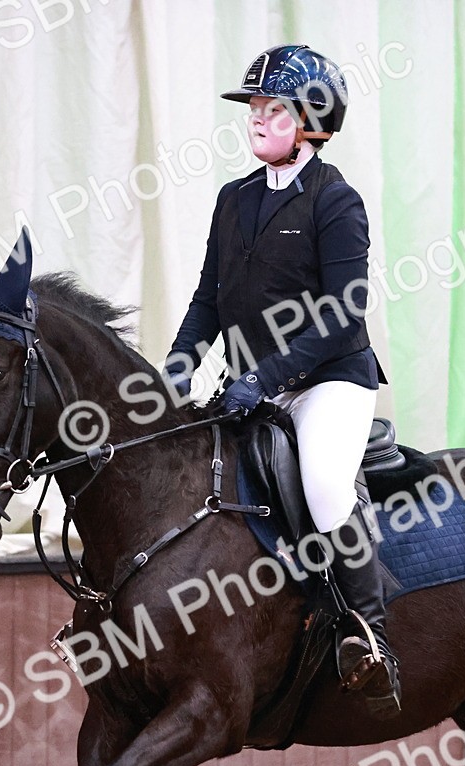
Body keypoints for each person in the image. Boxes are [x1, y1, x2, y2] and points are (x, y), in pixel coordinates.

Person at [163, 44, 401, 719]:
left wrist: (264, 376)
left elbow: (342, 311)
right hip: (255, 382)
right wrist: (181, 363)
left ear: (313, 120)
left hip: (330, 380)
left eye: (273, 109)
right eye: (254, 109)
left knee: (326, 485)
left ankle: (368, 635)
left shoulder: (336, 201)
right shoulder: (232, 200)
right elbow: (208, 298)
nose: (257, 119)